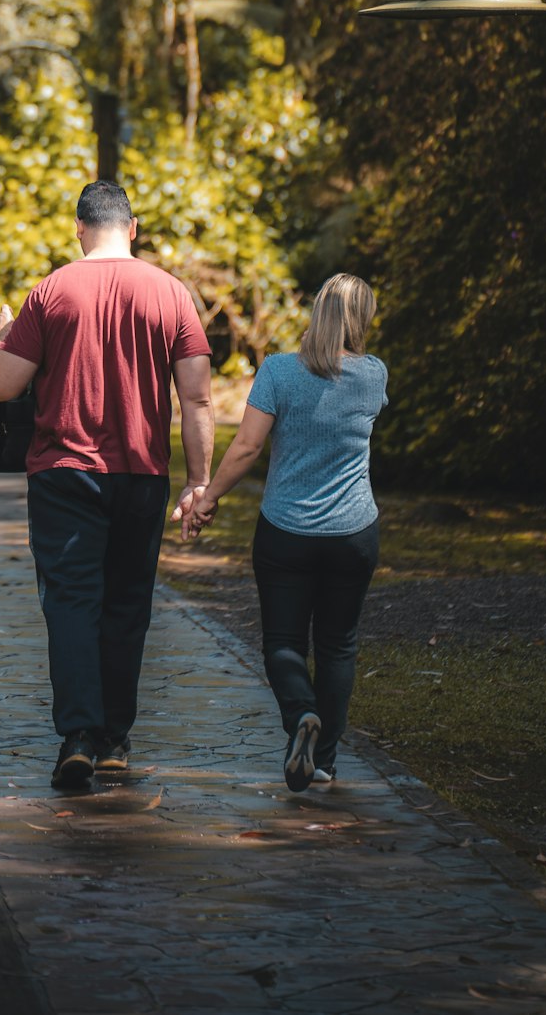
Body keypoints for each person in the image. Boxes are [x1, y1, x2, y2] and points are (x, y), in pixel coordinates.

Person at [0, 179, 214, 790]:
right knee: (128, 605)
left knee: (71, 604)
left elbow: (3, 386)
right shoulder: (172, 293)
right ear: (132, 228)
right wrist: (200, 482)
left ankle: (79, 737)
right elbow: (197, 398)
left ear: (80, 229)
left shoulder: (52, 289)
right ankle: (115, 740)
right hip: (142, 476)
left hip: (65, 474)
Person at [184, 273, 387, 793]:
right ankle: (323, 762)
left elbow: (248, 448)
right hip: (353, 531)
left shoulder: (278, 371)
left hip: (286, 531)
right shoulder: (374, 375)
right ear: (361, 320)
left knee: (283, 643)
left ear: (316, 312)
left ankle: (300, 715)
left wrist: (206, 499)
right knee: (338, 646)